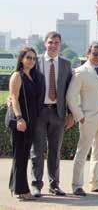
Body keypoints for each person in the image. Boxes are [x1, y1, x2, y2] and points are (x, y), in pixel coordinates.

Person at [66, 42, 98, 196]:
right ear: (88, 53)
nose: (97, 57)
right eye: (94, 54)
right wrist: (80, 117)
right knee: (82, 152)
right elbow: (71, 97)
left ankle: (96, 183)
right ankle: (76, 185)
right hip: (88, 118)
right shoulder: (80, 72)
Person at [30, 32, 73, 198]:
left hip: (58, 113)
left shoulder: (66, 64)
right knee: (37, 151)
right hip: (39, 113)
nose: (53, 45)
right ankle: (36, 186)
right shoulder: (36, 62)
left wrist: (70, 115)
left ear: (60, 45)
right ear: (45, 44)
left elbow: (70, 92)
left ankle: (54, 185)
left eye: (56, 42)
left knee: (55, 151)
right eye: (50, 42)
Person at [8, 47, 44, 200]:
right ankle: (22, 191)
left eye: (34, 58)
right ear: (21, 59)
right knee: (21, 156)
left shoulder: (34, 76)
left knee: (22, 155)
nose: (31, 61)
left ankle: (14, 186)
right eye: (28, 57)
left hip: (31, 121)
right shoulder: (17, 76)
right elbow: (14, 98)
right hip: (20, 121)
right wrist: (19, 118)